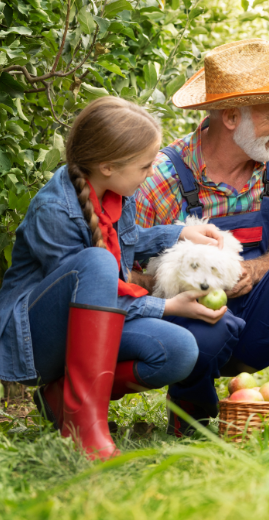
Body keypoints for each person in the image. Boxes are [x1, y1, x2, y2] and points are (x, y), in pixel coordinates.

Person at [133, 39, 269, 436]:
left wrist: (253, 268)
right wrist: (191, 289)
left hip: (260, 319)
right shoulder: (162, 178)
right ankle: (192, 420)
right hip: (195, 326)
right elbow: (131, 278)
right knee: (203, 334)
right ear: (232, 117)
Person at [0, 97, 227, 460]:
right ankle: (84, 427)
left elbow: (126, 246)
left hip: (91, 327)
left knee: (180, 351)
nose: (152, 172)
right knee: (98, 263)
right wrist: (166, 306)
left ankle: (60, 398)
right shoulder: (55, 209)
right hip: (40, 340)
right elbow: (94, 282)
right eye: (145, 165)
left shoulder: (120, 193)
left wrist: (179, 234)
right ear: (107, 166)